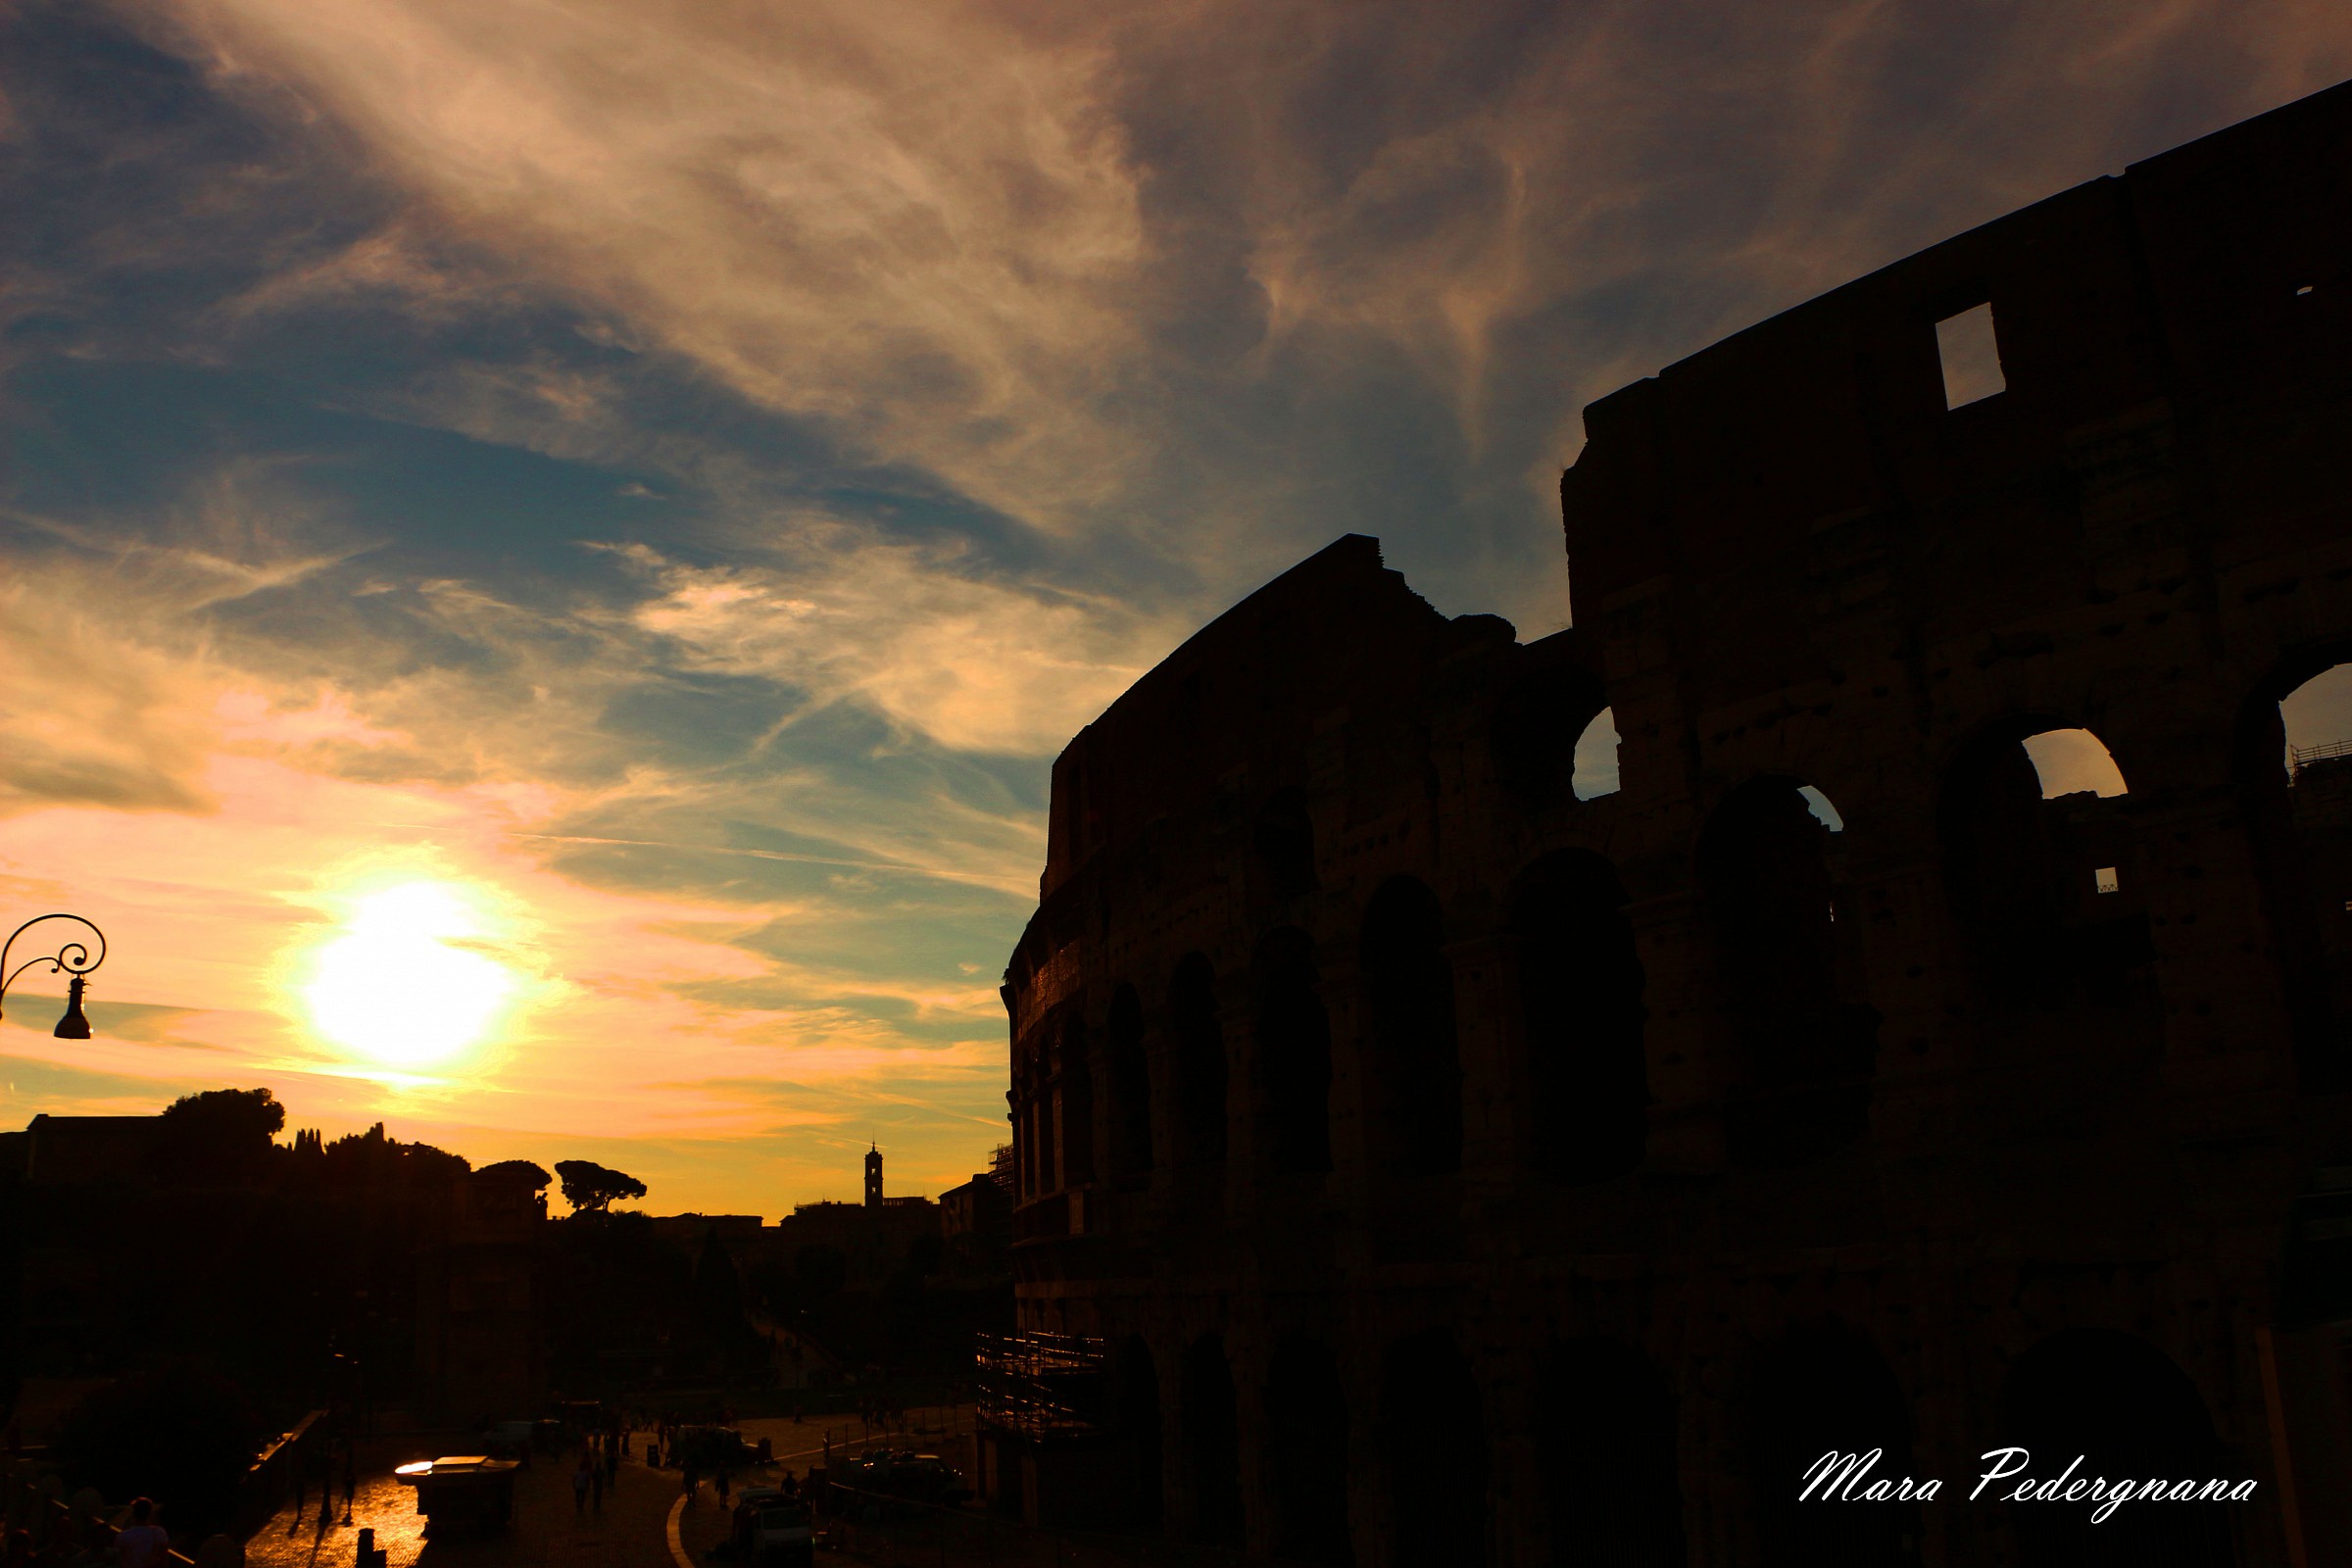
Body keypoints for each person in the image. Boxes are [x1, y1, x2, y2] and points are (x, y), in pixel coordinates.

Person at [116, 1499, 170, 1568]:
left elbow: (121, 1559)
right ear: (150, 1513)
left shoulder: (123, 1536)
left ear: (133, 1514)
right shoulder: (159, 1532)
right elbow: (164, 1559)